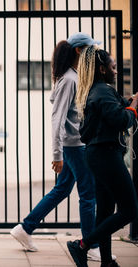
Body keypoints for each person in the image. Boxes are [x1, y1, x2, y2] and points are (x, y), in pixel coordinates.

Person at [11, 33, 112, 261]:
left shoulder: (73, 76)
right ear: (79, 51)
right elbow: (56, 118)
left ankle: (25, 228)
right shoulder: (69, 79)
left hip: (74, 144)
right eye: (91, 48)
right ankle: (91, 246)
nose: (94, 53)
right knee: (88, 195)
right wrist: (56, 154)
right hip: (75, 145)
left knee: (62, 189)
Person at [67, 46, 138, 267]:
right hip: (106, 157)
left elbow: (116, 108)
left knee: (106, 212)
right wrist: (133, 109)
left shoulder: (95, 91)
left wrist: (130, 102)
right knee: (129, 210)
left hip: (97, 156)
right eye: (113, 67)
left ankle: (106, 262)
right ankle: (82, 245)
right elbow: (119, 119)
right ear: (101, 68)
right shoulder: (103, 91)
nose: (116, 71)